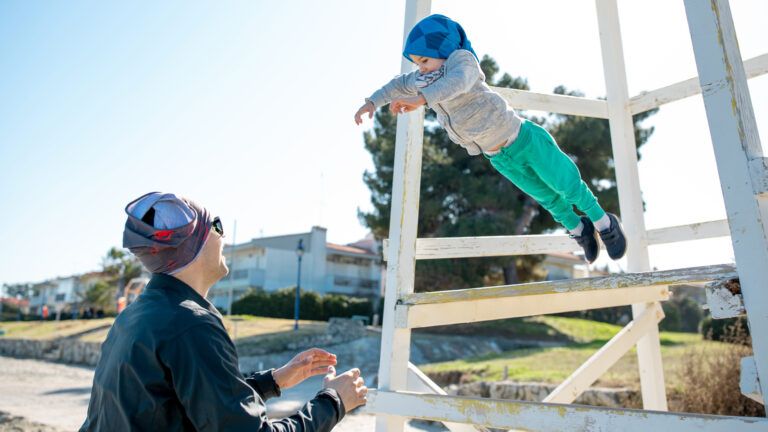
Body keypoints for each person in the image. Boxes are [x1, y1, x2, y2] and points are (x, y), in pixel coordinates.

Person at [80, 192, 367, 431]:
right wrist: (334, 400)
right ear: (194, 244)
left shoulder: (133, 316)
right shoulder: (190, 324)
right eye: (216, 225)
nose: (224, 236)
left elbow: (190, 402)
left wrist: (275, 380)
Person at [354, 14, 627, 263]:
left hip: (523, 140)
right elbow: (396, 85)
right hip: (498, 157)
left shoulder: (462, 61)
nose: (421, 69)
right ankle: (580, 230)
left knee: (566, 184)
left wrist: (420, 99)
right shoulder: (421, 80)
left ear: (443, 49)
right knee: (546, 196)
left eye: (424, 60)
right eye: (416, 64)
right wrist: (372, 102)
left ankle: (604, 223)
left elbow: (456, 84)